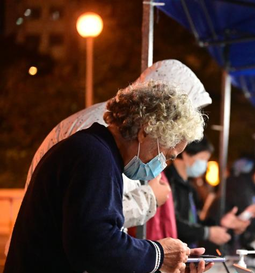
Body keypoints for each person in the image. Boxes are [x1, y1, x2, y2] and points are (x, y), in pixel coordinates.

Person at [0, 82, 213, 273]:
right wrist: (158, 255)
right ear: (146, 131)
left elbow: (94, 234)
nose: (162, 165)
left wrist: (166, 260)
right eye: (166, 155)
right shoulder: (93, 156)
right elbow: (95, 244)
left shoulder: (96, 153)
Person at [25, 59, 212, 230]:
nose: (164, 159)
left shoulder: (112, 139)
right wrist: (148, 199)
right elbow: (97, 222)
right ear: (149, 127)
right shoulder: (98, 145)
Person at [165, 138, 237, 251]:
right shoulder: (168, 181)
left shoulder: (190, 187)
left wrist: (221, 223)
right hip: (171, 250)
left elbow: (194, 222)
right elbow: (171, 222)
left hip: (188, 250)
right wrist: (207, 232)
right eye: (203, 158)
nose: (205, 164)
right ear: (186, 154)